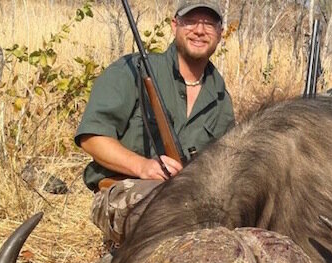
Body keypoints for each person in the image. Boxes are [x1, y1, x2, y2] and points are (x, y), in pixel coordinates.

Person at [75, 0, 234, 248]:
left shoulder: (221, 97)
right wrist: (142, 166)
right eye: (191, 21)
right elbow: (93, 137)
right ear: (175, 25)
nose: (200, 30)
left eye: (209, 24)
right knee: (167, 212)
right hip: (123, 191)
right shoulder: (131, 70)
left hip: (190, 201)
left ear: (220, 33)